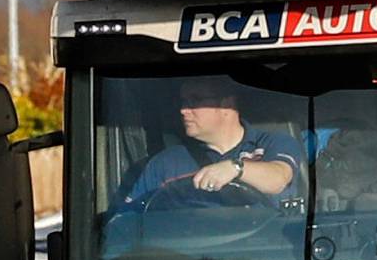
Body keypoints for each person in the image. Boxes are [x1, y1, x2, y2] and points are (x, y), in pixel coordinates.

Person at [116, 79, 303, 211]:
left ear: (226, 105)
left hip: (271, 254)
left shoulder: (274, 144)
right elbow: (125, 223)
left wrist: (236, 168)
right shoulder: (166, 164)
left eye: (195, 100)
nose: (183, 110)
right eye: (183, 101)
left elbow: (279, 178)